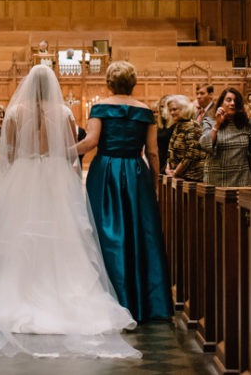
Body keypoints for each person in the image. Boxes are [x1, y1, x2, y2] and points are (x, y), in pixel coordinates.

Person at [0, 64, 138, 359]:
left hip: (23, 176)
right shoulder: (64, 113)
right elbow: (71, 151)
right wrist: (71, 183)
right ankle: (60, 292)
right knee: (60, 235)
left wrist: (9, 183)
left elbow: (7, 155)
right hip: (54, 177)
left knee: (19, 234)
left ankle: (18, 290)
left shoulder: (16, 112)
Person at [75, 60, 173, 323]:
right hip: (135, 172)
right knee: (139, 232)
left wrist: (59, 152)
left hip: (106, 171)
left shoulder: (101, 108)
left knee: (104, 232)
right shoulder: (145, 111)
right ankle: (144, 302)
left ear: (108, 82)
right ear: (134, 82)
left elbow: (91, 142)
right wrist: (155, 183)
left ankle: (109, 299)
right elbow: (152, 152)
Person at [199, 88, 251, 187]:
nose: (232, 103)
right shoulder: (209, 121)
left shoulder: (245, 124)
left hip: (242, 180)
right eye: (228, 100)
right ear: (221, 102)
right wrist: (217, 124)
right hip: (216, 180)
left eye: (235, 101)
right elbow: (205, 145)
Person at [164, 95, 205, 182]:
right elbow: (171, 150)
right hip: (179, 176)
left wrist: (176, 172)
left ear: (184, 108)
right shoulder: (179, 125)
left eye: (174, 109)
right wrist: (168, 167)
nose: (172, 113)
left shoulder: (193, 126)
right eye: (170, 110)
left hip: (192, 178)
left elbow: (192, 154)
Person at [155, 95, 173, 173]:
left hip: (168, 165)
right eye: (161, 106)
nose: (162, 109)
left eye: (165, 106)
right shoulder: (160, 125)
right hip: (158, 162)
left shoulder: (174, 125)